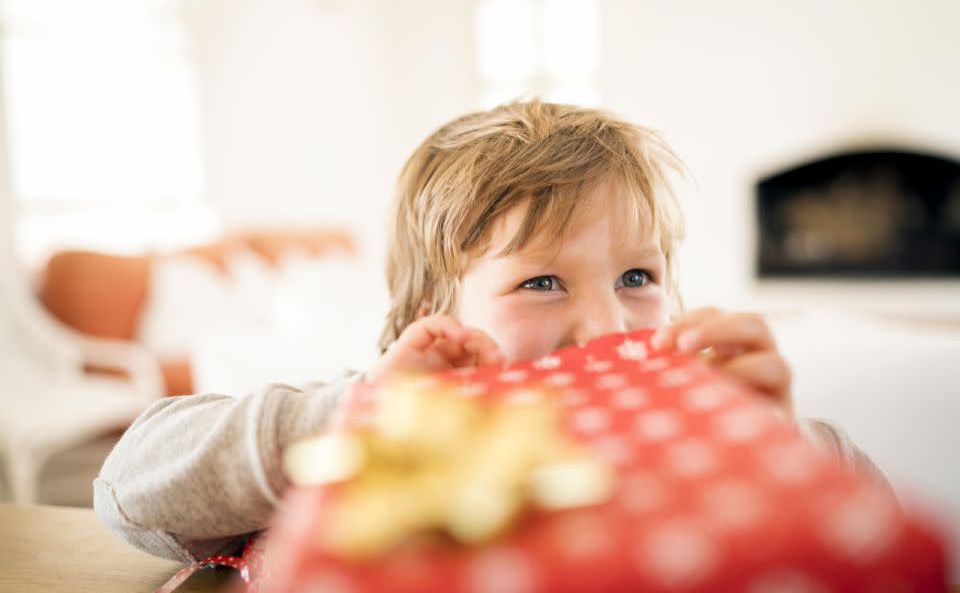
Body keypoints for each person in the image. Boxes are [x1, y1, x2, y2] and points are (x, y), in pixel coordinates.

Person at [94, 100, 890, 563]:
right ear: (431, 321)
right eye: (541, 282)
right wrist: (362, 417)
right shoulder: (373, 431)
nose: (606, 324)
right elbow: (129, 491)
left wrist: (772, 453)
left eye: (637, 278)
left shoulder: (732, 434)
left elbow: (872, 541)